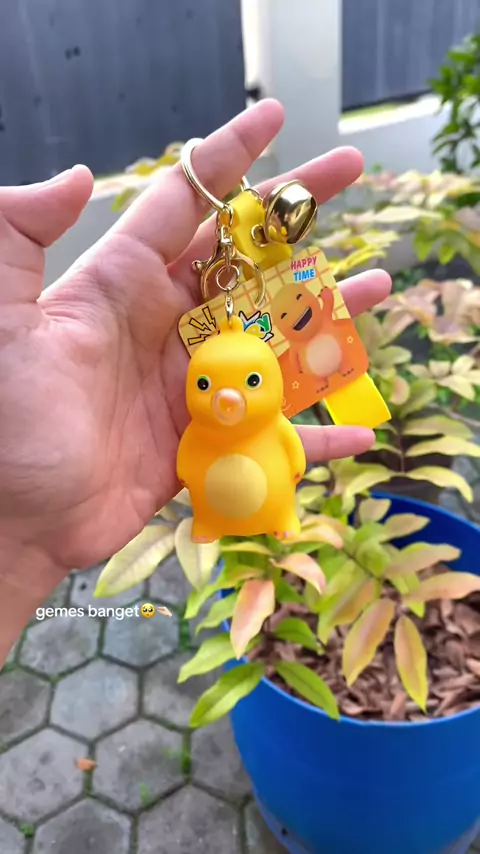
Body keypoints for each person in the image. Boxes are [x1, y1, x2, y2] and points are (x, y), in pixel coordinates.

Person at [0, 99, 391, 664]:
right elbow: (190, 459)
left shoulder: (263, 420)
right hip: (207, 500)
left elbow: (284, 444)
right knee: (219, 505)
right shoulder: (199, 431)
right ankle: (214, 522)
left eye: (251, 382)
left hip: (267, 491)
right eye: (203, 386)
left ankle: (280, 517)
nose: (227, 396)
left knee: (284, 497)